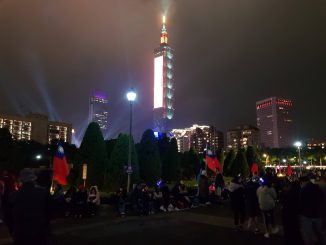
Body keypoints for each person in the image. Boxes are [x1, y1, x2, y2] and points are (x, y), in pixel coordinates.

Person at [10, 168, 52, 245]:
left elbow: (9, 215)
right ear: (33, 179)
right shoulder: (43, 192)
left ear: (21, 180)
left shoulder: (14, 195)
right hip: (39, 230)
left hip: (21, 232)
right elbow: (49, 211)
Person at [299, 175, 324, 245]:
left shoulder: (303, 190)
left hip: (306, 214)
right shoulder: (317, 187)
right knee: (320, 232)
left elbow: (301, 201)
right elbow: (321, 198)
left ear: (303, 182)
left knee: (307, 233)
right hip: (317, 213)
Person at [280, 180, 303, 245]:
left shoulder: (286, 193)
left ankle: (288, 241)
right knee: (295, 229)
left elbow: (282, 202)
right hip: (294, 215)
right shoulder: (298, 194)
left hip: (286, 215)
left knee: (288, 230)